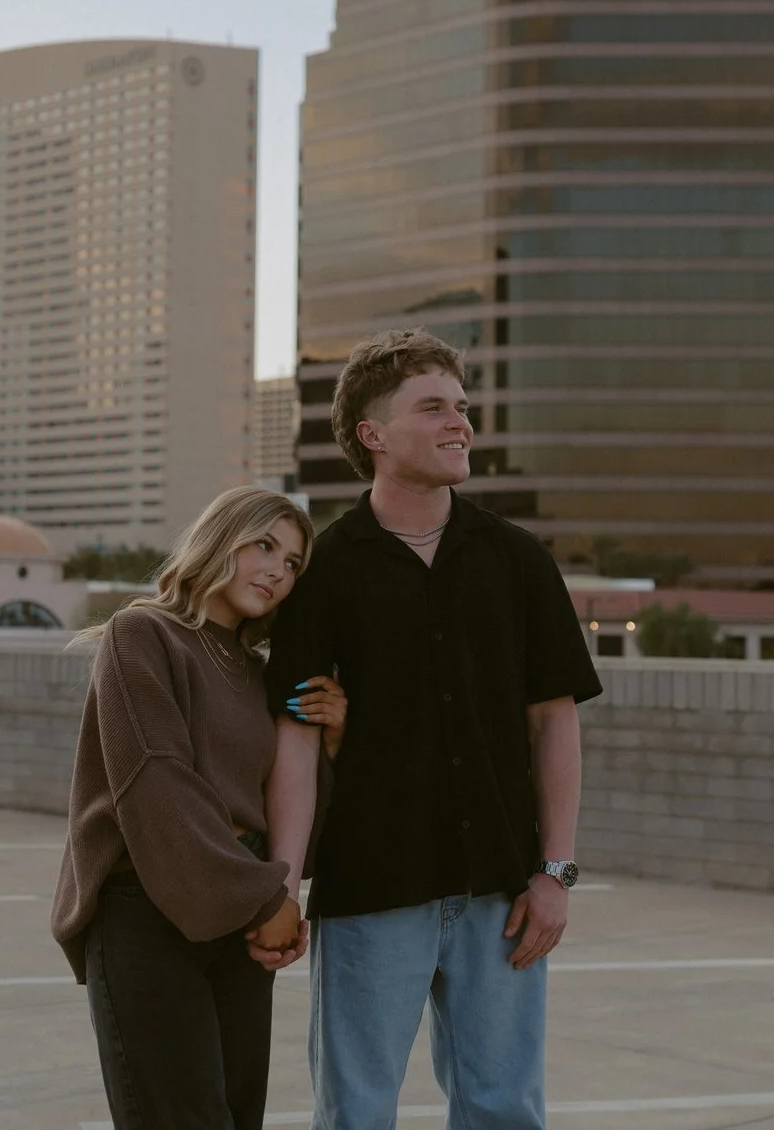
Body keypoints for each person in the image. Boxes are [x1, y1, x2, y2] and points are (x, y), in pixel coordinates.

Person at [262, 330, 602, 1130]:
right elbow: (297, 737)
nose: (460, 423)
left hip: (504, 892)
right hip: (372, 887)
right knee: (355, 1112)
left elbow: (555, 721)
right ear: (372, 434)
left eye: (462, 406)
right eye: (434, 407)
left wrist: (556, 869)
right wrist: (282, 882)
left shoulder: (518, 560)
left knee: (504, 1108)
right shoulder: (326, 571)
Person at [53, 486, 349, 1130]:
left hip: (241, 911)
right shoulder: (143, 634)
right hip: (148, 905)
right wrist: (269, 897)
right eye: (264, 545)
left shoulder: (260, 671)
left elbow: (286, 811)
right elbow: (158, 782)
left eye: (294, 563)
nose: (278, 570)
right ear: (219, 539)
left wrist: (331, 744)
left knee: (238, 1118)